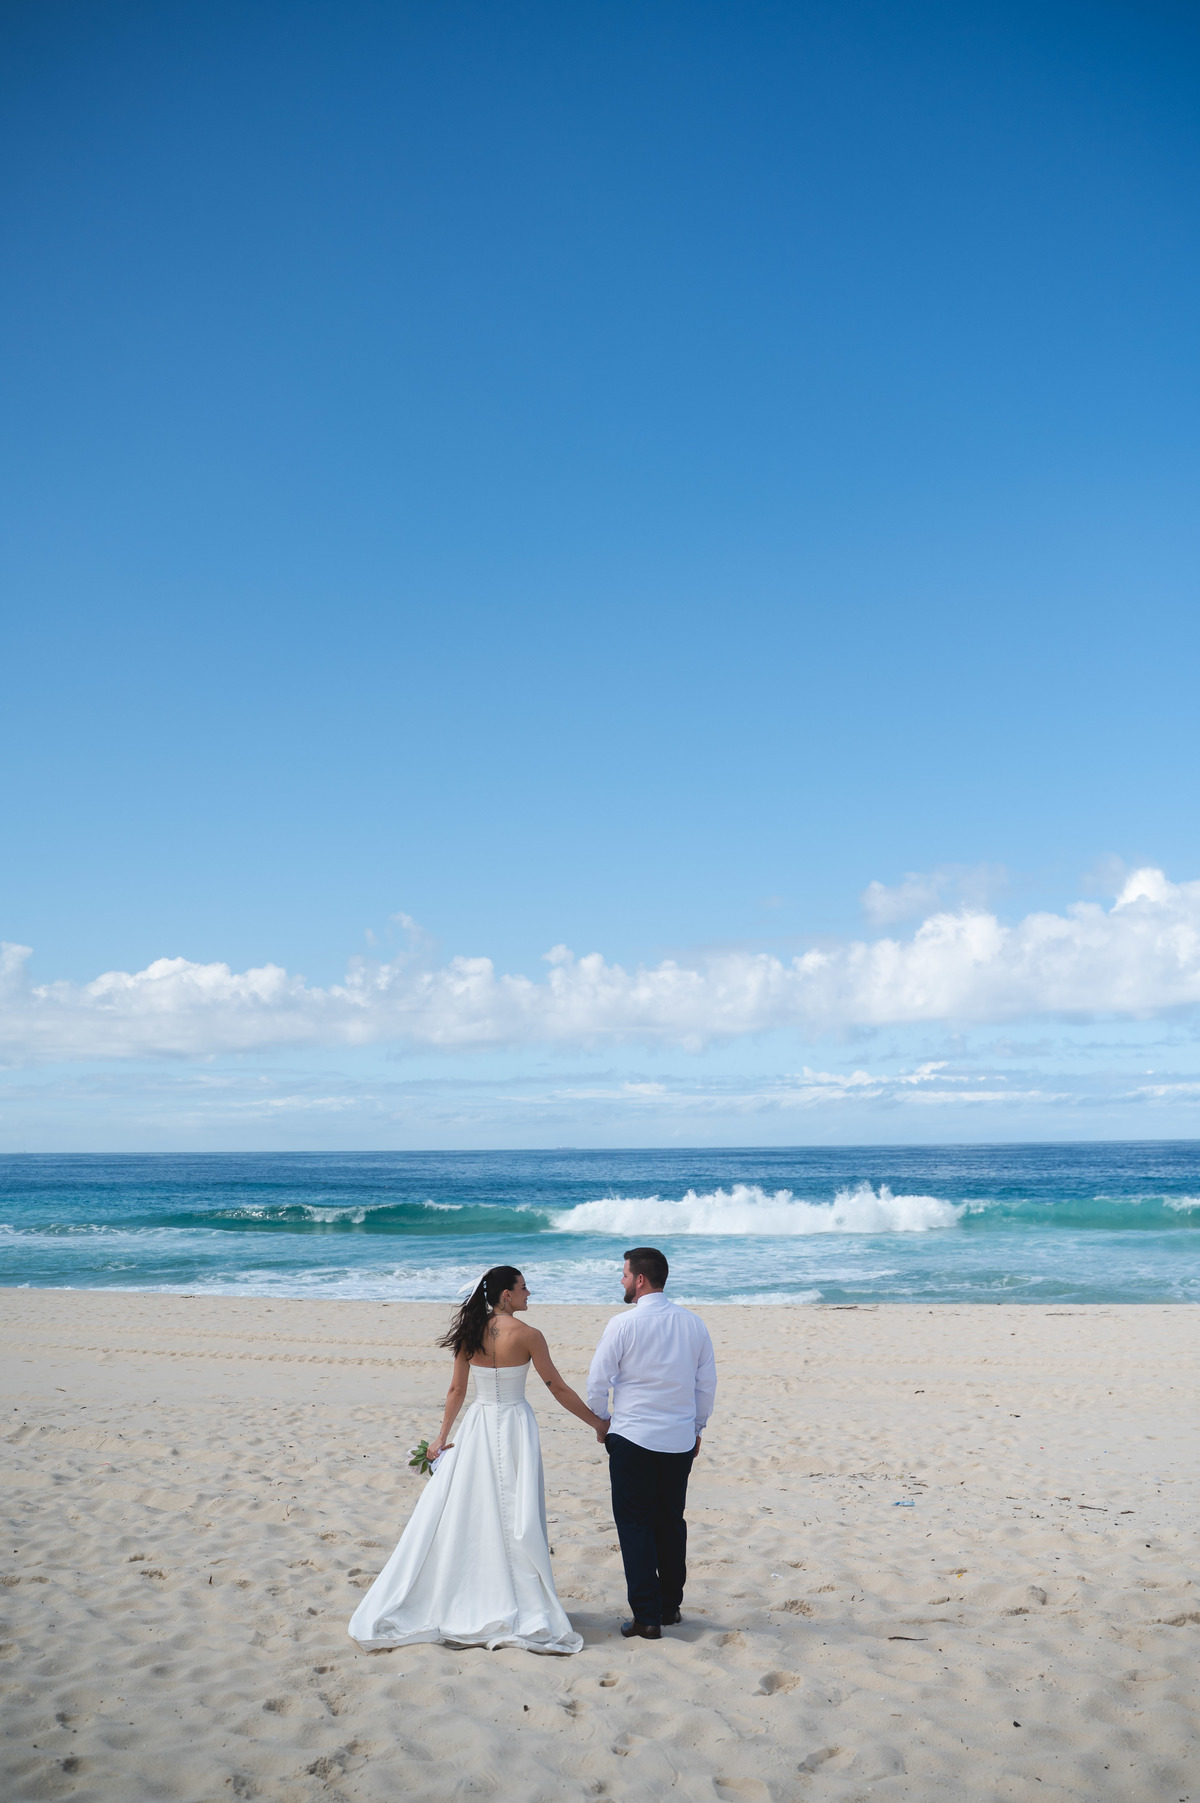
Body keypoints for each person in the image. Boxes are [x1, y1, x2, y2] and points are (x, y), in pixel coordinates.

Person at [349, 1265, 608, 1656]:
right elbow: (556, 1387)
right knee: (515, 1510)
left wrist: (442, 1437)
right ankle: (514, 1597)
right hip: (516, 1425)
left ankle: (476, 1593)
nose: (528, 1293)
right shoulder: (529, 1335)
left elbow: (456, 1389)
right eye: (524, 1287)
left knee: (476, 1509)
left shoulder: (470, 1333)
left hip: (479, 1425)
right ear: (506, 1294)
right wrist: (597, 1423)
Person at [587, 1246, 717, 1640]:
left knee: (635, 1526)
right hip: (678, 1439)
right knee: (671, 1523)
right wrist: (697, 1428)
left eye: (625, 1274)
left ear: (640, 1279)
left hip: (633, 1437)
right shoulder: (693, 1323)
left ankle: (647, 1617)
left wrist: (602, 1421)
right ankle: (669, 1607)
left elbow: (597, 1381)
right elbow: (705, 1385)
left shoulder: (622, 1324)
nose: (622, 1279)